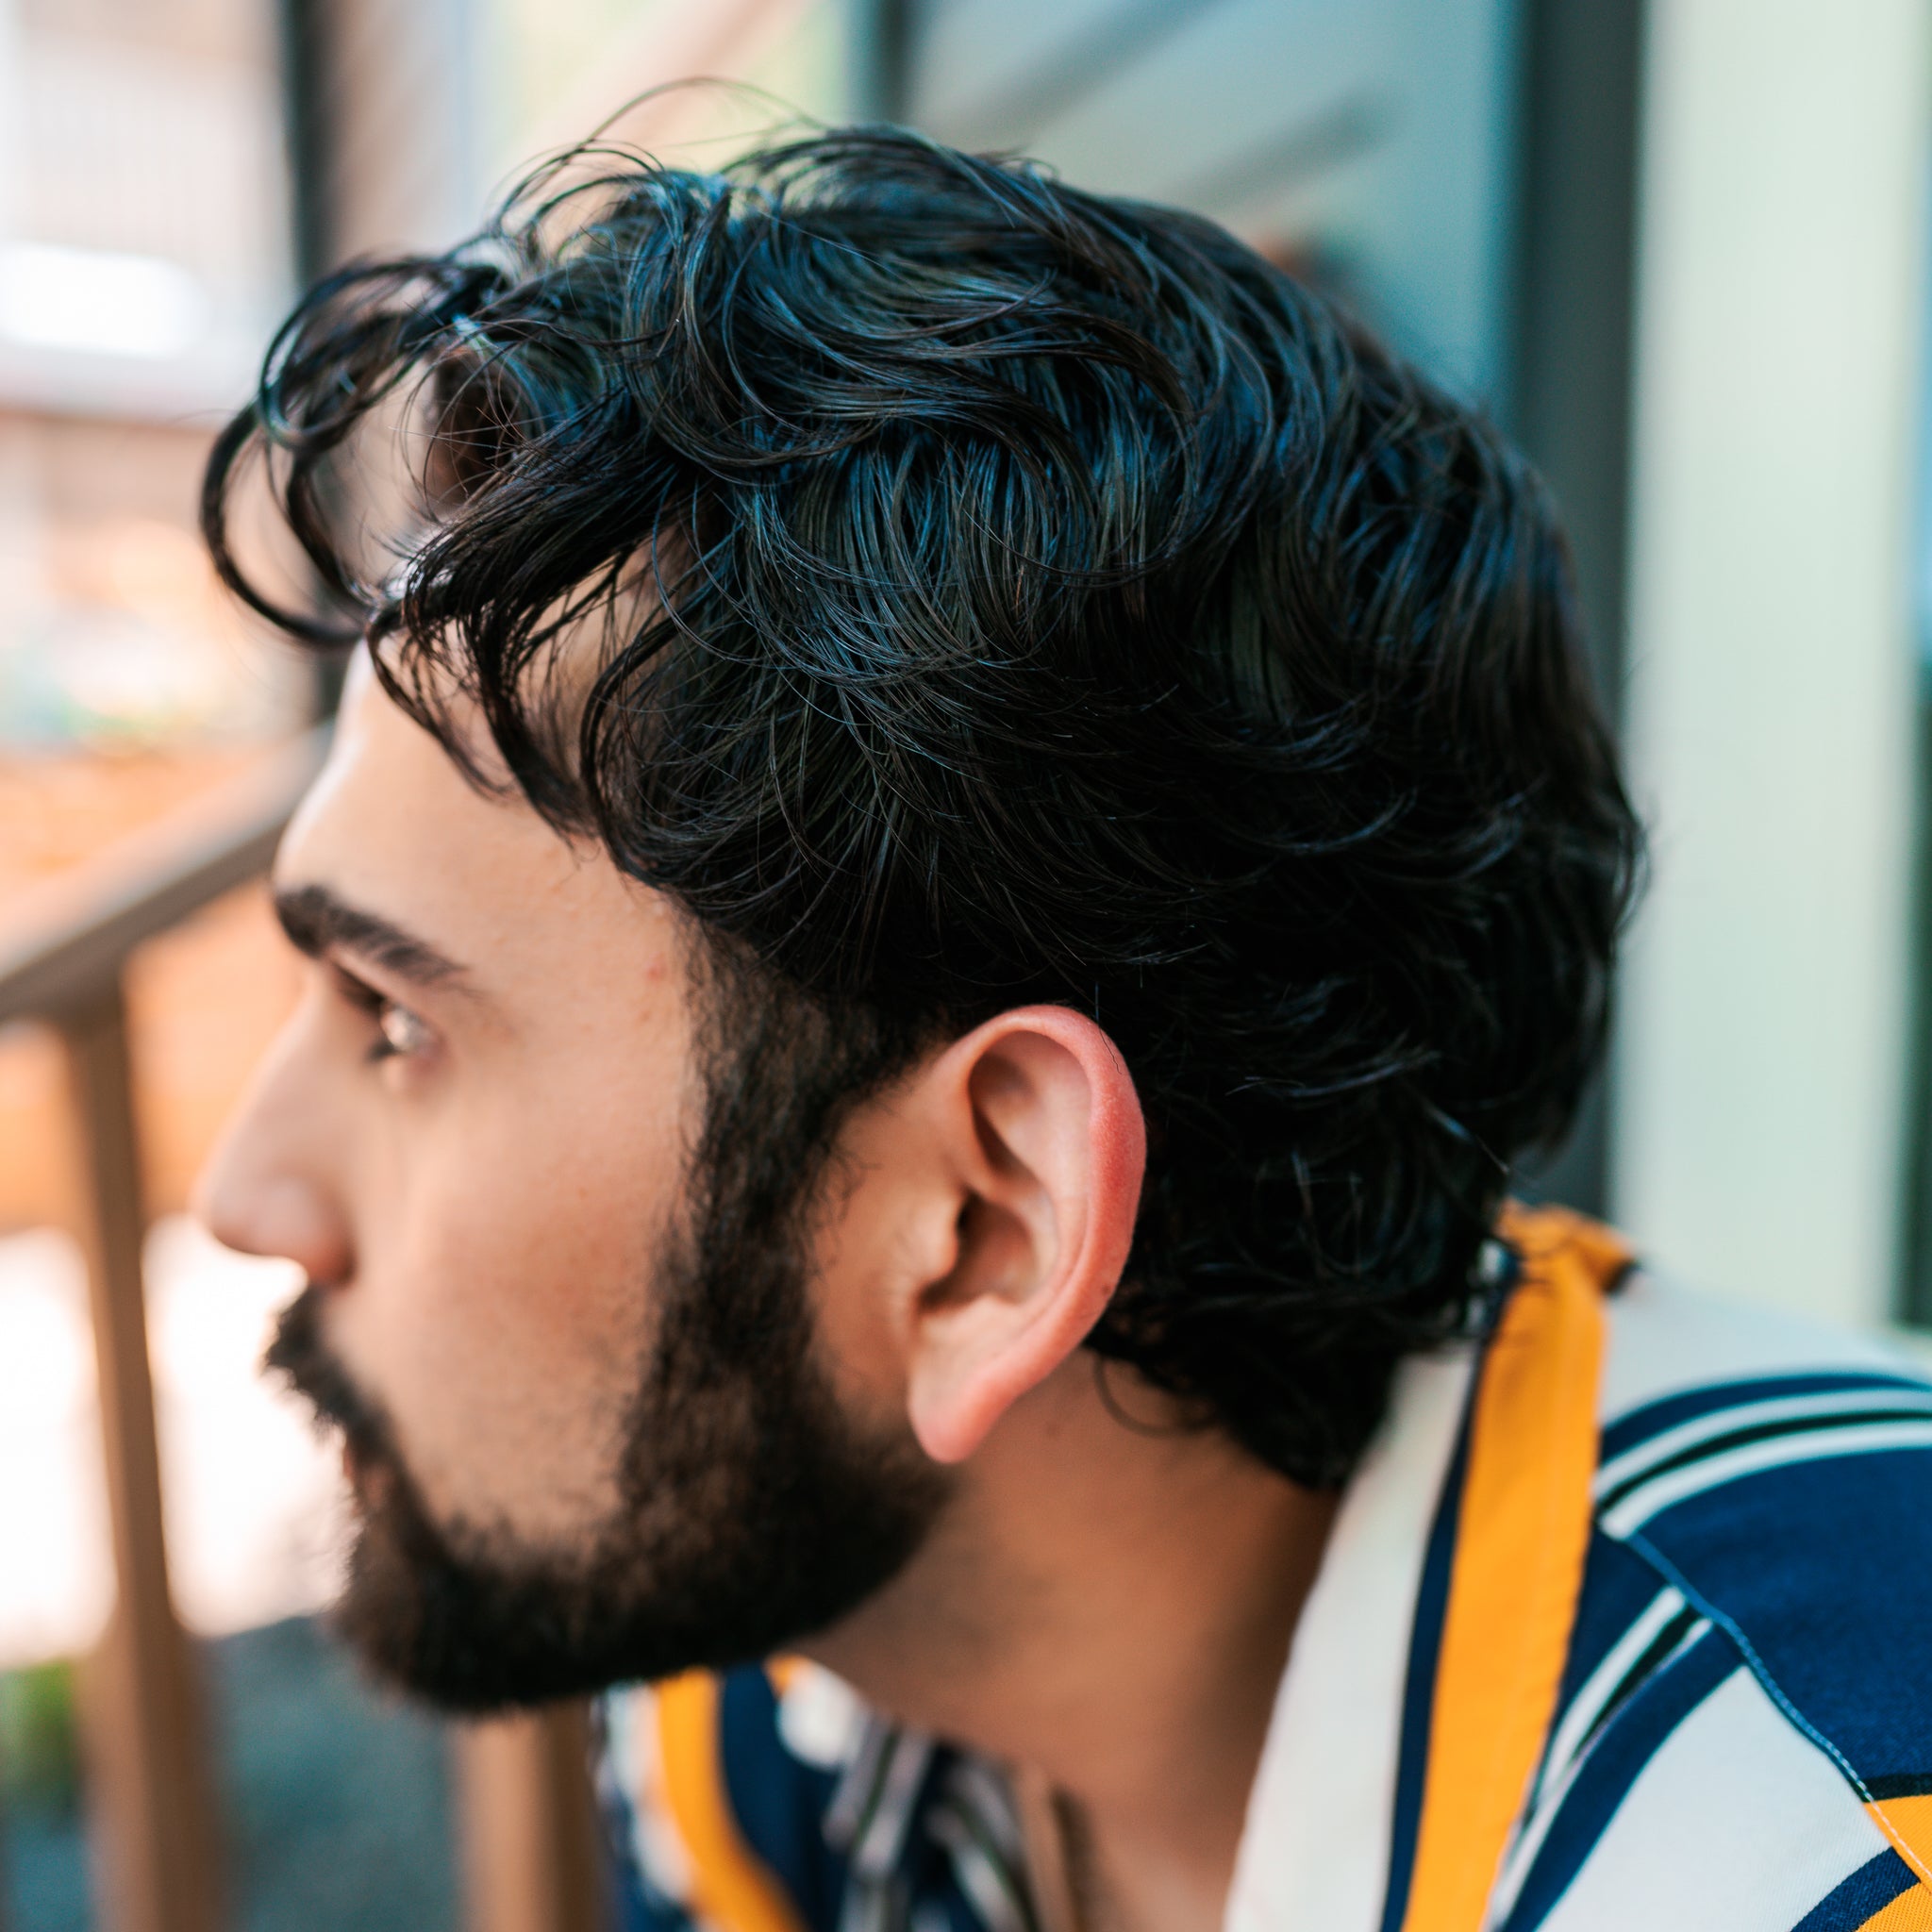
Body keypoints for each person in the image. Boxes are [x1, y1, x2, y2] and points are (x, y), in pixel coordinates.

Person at [193, 128, 1932, 1932]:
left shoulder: (1807, 1853)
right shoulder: (771, 1711)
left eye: (396, 1023)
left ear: (984, 1231)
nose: (252, 1192)